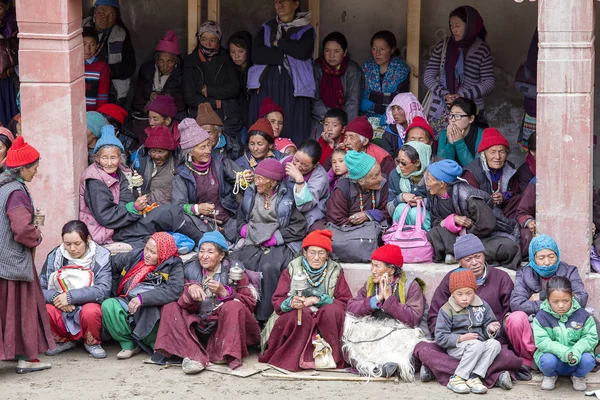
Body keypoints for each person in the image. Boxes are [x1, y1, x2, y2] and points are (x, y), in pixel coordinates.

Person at [415, 234, 522, 389]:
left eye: (477, 256)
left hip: (486, 341)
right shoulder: (451, 279)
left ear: (484, 255)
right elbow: (434, 315)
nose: (475, 263)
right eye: (468, 259)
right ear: (459, 262)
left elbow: (507, 315)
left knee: (505, 356)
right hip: (455, 344)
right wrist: (452, 339)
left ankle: (439, 371)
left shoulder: (501, 278)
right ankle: (492, 376)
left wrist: (491, 332)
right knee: (423, 348)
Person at [153, 231, 260, 374]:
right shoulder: (190, 269)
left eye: (210, 252)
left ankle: (223, 353)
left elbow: (249, 303)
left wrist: (225, 292)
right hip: (198, 323)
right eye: (201, 251)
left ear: (221, 255)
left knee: (234, 306)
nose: (204, 256)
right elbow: (179, 298)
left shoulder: (235, 271)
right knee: (170, 306)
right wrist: (190, 292)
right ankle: (190, 352)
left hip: (224, 328)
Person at [79, 125, 200, 246]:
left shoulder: (120, 172)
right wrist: (133, 209)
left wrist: (136, 207)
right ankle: (204, 241)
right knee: (167, 214)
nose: (109, 163)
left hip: (122, 221)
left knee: (170, 212)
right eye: (104, 158)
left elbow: (126, 200)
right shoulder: (94, 180)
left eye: (113, 157)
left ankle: (204, 240)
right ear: (97, 159)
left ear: (120, 158)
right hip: (109, 231)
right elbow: (106, 217)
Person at [260, 229, 351, 371]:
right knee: (301, 313)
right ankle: (292, 358)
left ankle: (333, 357)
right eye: (312, 252)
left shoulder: (335, 270)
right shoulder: (292, 268)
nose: (316, 257)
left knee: (332, 310)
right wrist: (291, 303)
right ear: (304, 252)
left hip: (324, 320)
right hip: (299, 317)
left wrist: (318, 299)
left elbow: (345, 301)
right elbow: (278, 300)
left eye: (321, 253)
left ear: (327, 255)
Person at [0, 136, 54, 373]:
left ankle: (21, 356)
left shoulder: (4, 186)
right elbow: (21, 229)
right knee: (21, 308)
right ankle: (26, 358)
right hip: (13, 260)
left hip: (4, 258)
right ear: (22, 168)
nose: (36, 172)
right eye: (34, 167)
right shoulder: (16, 193)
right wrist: (36, 236)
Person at [231, 159, 307, 321]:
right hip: (252, 238)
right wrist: (244, 230)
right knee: (241, 264)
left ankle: (265, 316)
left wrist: (276, 238)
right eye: (256, 177)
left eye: (260, 179)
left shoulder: (288, 196)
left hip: (280, 241)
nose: (256, 181)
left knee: (270, 267)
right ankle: (244, 313)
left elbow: (299, 226)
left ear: (273, 182)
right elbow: (241, 219)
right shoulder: (251, 193)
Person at [506, 235, 589, 374]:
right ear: (533, 257)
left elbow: (581, 298)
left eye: (551, 256)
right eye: (541, 257)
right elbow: (517, 304)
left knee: (588, 319)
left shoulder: (569, 271)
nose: (547, 262)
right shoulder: (524, 274)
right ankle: (530, 360)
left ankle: (569, 359)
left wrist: (544, 297)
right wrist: (551, 305)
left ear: (557, 255)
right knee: (515, 319)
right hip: (536, 320)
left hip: (564, 318)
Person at [345, 244, 428, 379]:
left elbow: (413, 318)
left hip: (401, 333)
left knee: (409, 350)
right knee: (352, 342)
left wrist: (389, 299)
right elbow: (351, 308)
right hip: (377, 333)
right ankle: (379, 367)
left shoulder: (411, 286)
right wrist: (376, 299)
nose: (373, 270)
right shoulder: (371, 284)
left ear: (391, 269)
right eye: (372, 265)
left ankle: (389, 367)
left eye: (377, 266)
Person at [425, 159, 521, 269]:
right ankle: (463, 254)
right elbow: (435, 221)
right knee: (434, 233)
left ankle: (459, 254)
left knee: (509, 248)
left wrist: (464, 233)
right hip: (458, 239)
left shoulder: (469, 196)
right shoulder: (433, 195)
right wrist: (451, 220)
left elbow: (487, 225)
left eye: (429, 180)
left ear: (442, 184)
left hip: (482, 238)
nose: (427, 184)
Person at [102, 232, 183, 359]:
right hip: (126, 298)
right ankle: (129, 344)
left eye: (153, 252)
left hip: (149, 302)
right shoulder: (135, 256)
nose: (147, 254)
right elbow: (111, 264)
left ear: (163, 253)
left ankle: (153, 344)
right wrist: (113, 289)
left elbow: (174, 289)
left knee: (150, 310)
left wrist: (143, 298)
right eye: (147, 249)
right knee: (108, 305)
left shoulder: (173, 264)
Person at [40, 220, 111, 359]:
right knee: (47, 309)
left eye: (77, 244)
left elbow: (103, 290)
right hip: (61, 303)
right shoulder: (55, 256)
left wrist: (71, 297)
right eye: (67, 244)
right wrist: (56, 298)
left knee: (91, 311)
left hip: (88, 303)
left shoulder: (101, 256)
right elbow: (40, 289)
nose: (72, 248)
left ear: (88, 240)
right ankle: (63, 341)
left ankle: (92, 342)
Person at [247, 0, 315, 145]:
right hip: (267, 84)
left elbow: (302, 51)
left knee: (292, 130)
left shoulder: (306, 30)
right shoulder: (266, 28)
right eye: (277, 2)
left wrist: (278, 43)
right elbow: (256, 55)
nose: (279, 5)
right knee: (265, 128)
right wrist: (283, 54)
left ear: (295, 4)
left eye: (284, 1)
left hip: (295, 87)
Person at [423, 6, 494, 133]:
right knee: (441, 148)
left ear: (470, 26)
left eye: (458, 26)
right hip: (440, 109)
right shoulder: (443, 46)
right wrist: (445, 94)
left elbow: (488, 81)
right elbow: (428, 75)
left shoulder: (482, 50)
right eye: (451, 25)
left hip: (469, 109)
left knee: (467, 146)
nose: (453, 30)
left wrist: (461, 96)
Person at [172, 118, 243, 242]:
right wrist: (196, 208)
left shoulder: (220, 162)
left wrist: (244, 178)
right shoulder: (182, 174)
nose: (208, 150)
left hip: (226, 218)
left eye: (208, 145)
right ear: (190, 151)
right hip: (201, 222)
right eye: (202, 147)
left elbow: (240, 176)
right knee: (183, 219)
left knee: (240, 229)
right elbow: (178, 206)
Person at [435, 268, 503, 394]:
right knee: (476, 345)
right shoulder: (446, 310)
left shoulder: (482, 306)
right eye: (460, 294)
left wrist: (491, 329)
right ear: (452, 294)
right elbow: (440, 337)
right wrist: (461, 338)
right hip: (457, 347)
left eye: (469, 293)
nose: (465, 298)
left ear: (474, 291)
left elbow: (490, 324)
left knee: (495, 344)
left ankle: (474, 377)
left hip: (479, 345)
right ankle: (457, 378)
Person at [533, 276, 598, 391]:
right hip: (555, 359)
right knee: (547, 361)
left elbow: (590, 337)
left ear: (572, 297)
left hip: (576, 358)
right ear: (548, 300)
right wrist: (564, 352)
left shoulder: (583, 315)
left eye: (565, 301)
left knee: (588, 360)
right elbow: (543, 342)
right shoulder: (541, 317)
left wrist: (576, 351)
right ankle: (550, 375)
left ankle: (578, 376)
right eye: (555, 301)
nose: (561, 305)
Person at [184, 21, 241, 137]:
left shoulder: (226, 59)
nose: (207, 44)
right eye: (204, 39)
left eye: (212, 40)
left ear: (218, 40)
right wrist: (216, 102)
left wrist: (209, 91)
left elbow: (234, 88)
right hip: (198, 115)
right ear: (199, 39)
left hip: (225, 116)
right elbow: (190, 97)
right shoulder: (190, 62)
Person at [326, 151, 389, 251]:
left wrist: (367, 215)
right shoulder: (342, 189)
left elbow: (386, 211)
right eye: (375, 176)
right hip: (348, 236)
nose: (380, 178)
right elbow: (335, 220)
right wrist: (356, 223)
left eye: (380, 173)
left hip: (374, 233)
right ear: (361, 181)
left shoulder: (383, 183)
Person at [131, 31, 185, 141]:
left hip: (172, 117)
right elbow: (137, 95)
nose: (165, 66)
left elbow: (182, 101)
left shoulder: (182, 74)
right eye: (161, 61)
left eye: (169, 61)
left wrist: (157, 102)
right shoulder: (146, 70)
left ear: (176, 62)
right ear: (156, 61)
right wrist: (149, 103)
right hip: (146, 115)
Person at [82, 0, 136, 105]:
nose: (105, 18)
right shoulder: (81, 26)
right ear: (95, 12)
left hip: (111, 88)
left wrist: (104, 71)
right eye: (101, 13)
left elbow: (130, 66)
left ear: (116, 18)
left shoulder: (120, 34)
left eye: (111, 15)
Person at [312, 32, 364, 136]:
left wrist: (342, 123)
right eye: (327, 51)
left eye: (336, 51)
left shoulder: (352, 70)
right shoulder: (317, 68)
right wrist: (329, 121)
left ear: (344, 52)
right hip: (321, 119)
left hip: (345, 120)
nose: (331, 55)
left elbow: (353, 102)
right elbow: (315, 99)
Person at [463, 128, 521, 219]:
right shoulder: (472, 172)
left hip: (505, 215)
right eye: (492, 152)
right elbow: (468, 200)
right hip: (482, 217)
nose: (497, 157)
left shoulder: (510, 170)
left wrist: (504, 196)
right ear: (483, 155)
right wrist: (488, 199)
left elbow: (516, 193)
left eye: (501, 152)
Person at [360, 30, 410, 128]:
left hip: (392, 119)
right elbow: (361, 98)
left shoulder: (401, 70)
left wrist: (375, 99)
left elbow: (399, 100)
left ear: (392, 50)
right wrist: (377, 106)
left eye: (382, 49)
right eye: (374, 49)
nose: (377, 53)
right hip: (367, 118)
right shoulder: (367, 68)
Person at [284, 139, 329, 230]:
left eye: (304, 165)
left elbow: (305, 206)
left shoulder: (320, 176)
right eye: (296, 160)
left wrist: (299, 180)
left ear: (315, 165)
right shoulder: (286, 161)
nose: (297, 166)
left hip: (309, 213)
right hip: (285, 205)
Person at [388, 142, 431, 229]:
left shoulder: (432, 176)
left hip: (426, 219)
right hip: (400, 221)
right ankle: (400, 237)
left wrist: (422, 202)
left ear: (418, 163)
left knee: (416, 213)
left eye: (403, 163)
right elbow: (389, 209)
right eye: (398, 161)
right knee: (401, 208)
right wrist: (401, 197)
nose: (399, 166)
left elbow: (440, 207)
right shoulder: (395, 174)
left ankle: (423, 239)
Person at [136, 126, 178, 205]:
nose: (156, 156)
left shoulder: (177, 162)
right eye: (153, 151)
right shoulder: (141, 161)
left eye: (160, 152)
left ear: (170, 152)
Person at [436, 97, 483, 166]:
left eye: (458, 116)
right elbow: (440, 166)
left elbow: (475, 170)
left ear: (471, 119)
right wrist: (450, 144)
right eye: (451, 115)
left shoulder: (482, 135)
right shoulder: (444, 134)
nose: (453, 119)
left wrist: (459, 143)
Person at [381, 93, 426, 158]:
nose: (394, 113)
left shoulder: (423, 131)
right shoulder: (390, 132)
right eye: (393, 108)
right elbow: (387, 160)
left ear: (410, 109)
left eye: (399, 108)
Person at [228, 31, 253, 144]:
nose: (236, 56)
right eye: (232, 52)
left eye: (241, 51)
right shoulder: (229, 70)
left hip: (251, 117)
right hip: (235, 119)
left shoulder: (255, 70)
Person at [0, 0, 18, 127]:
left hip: (8, 79)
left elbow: (20, 52)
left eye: (0, 7)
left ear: (6, 7)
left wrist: (9, 71)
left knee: (10, 116)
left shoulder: (14, 24)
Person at [83, 27, 110, 111]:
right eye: (84, 44)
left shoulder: (101, 67)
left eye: (92, 44)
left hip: (93, 113)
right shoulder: (71, 64)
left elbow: (102, 95)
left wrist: (99, 114)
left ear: (97, 46)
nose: (87, 49)